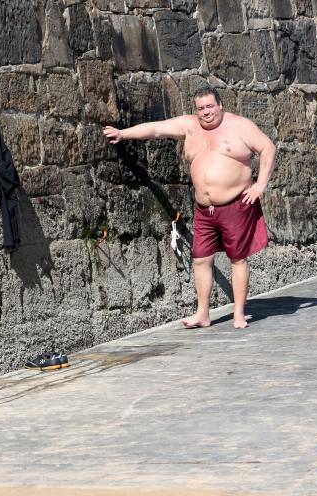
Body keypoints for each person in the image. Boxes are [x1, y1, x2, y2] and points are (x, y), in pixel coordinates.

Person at [103, 87, 275, 329]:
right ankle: (203, 314)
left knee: (238, 259)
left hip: (235, 204)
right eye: (201, 108)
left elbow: (268, 148)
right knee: (201, 259)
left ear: (220, 105)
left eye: (210, 106)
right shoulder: (189, 125)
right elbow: (156, 129)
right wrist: (122, 133)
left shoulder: (240, 126)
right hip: (204, 209)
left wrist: (260, 185)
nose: (206, 112)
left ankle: (238, 313)